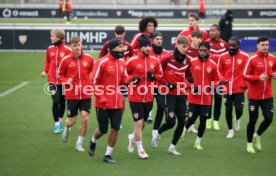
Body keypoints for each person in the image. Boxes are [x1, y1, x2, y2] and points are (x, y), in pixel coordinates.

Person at [88, 39, 128, 163]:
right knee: (103, 130)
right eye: (120, 47)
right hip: (102, 104)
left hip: (117, 103)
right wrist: (101, 97)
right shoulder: (101, 62)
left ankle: (107, 155)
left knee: (116, 128)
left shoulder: (122, 62)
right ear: (112, 48)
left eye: (123, 47)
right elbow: (93, 82)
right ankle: (93, 140)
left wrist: (131, 79)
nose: (123, 49)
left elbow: (124, 79)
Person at [151, 36, 192, 155]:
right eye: (183, 47)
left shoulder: (187, 60)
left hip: (181, 94)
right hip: (168, 94)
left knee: (182, 121)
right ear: (177, 45)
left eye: (187, 47)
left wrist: (189, 83)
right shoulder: (167, 58)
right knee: (171, 122)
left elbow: (186, 76)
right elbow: (157, 74)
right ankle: (157, 133)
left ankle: (172, 147)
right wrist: (166, 84)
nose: (185, 49)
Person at [126, 34, 163, 159]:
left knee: (144, 122)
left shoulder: (155, 61)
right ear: (140, 47)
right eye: (145, 46)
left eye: (149, 46)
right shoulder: (132, 61)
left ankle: (132, 137)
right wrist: (132, 78)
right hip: (135, 96)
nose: (148, 48)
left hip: (148, 97)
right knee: (138, 122)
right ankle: (141, 150)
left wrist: (154, 77)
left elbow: (160, 74)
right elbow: (124, 76)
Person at [181, 42, 220, 150]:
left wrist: (213, 86)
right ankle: (184, 130)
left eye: (204, 50)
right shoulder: (191, 63)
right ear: (198, 50)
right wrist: (191, 86)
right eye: (200, 50)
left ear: (208, 51)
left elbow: (217, 79)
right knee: (191, 118)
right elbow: (183, 76)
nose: (202, 52)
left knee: (203, 120)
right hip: (193, 98)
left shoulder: (213, 64)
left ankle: (198, 142)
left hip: (206, 99)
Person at [59, 36, 94, 152]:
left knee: (85, 119)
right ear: (71, 47)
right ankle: (67, 128)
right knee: (71, 121)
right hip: (72, 95)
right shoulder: (65, 60)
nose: (77, 47)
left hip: (85, 94)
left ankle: (79, 143)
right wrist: (65, 80)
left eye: (79, 45)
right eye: (74, 45)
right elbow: (60, 75)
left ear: (81, 45)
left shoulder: (89, 59)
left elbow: (94, 74)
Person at [243, 36, 276, 154]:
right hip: (254, 96)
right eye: (263, 45)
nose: (265, 47)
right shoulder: (252, 59)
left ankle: (257, 135)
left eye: (267, 45)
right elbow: (245, 75)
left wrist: (274, 74)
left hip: (267, 95)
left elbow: (275, 70)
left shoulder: (272, 58)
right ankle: (249, 144)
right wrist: (258, 78)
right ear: (257, 45)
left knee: (269, 118)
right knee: (253, 120)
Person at [217, 36, 249, 138]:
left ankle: (237, 118)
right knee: (228, 109)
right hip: (227, 89)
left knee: (239, 109)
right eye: (229, 45)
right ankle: (230, 130)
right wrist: (222, 79)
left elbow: (249, 72)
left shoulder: (245, 56)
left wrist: (246, 84)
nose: (231, 47)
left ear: (238, 46)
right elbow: (219, 71)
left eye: (233, 45)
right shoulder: (222, 57)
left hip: (240, 88)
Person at [41, 29, 72, 134]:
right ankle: (57, 124)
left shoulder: (68, 49)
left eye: (52, 36)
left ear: (59, 37)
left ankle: (60, 120)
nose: (51, 38)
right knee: (55, 100)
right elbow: (47, 62)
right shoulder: (50, 49)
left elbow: (71, 64)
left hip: (64, 81)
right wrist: (45, 71)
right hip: (52, 80)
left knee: (63, 102)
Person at [205, 24, 227, 130]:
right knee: (208, 99)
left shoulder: (224, 44)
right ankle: (208, 120)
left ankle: (216, 121)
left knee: (218, 99)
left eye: (213, 30)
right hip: (208, 77)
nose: (211, 32)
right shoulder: (206, 43)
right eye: (210, 31)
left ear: (219, 31)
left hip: (219, 77)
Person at [148, 31, 169, 124]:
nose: (159, 41)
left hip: (161, 84)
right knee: (148, 105)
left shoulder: (166, 53)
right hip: (149, 84)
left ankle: (156, 129)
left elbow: (168, 68)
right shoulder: (148, 51)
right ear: (152, 40)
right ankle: (147, 116)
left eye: (160, 39)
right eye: (157, 39)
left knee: (161, 106)